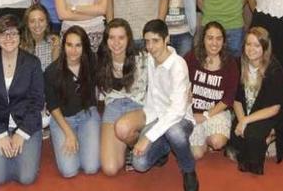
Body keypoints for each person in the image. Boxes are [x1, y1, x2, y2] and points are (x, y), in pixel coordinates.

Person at [131, 20, 199, 191]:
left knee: (174, 132)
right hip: (157, 116)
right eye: (147, 41)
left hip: (181, 119)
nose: (150, 47)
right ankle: (164, 149)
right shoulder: (149, 59)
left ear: (166, 39)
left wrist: (148, 137)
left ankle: (188, 169)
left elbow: (176, 111)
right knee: (139, 164)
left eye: (155, 41)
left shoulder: (178, 65)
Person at [0, 15, 44, 186]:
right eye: (4, 34)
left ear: (20, 36)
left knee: (27, 178)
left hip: (26, 123)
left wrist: (22, 134)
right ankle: (5, 152)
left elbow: (37, 102)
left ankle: (26, 151)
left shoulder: (32, 63)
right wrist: (0, 135)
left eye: (13, 33)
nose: (9, 38)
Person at [229, 27, 283, 174]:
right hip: (246, 112)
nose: (251, 49)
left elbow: (275, 108)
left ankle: (270, 137)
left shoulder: (274, 69)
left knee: (252, 137)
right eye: (248, 44)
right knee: (234, 137)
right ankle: (260, 140)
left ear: (265, 47)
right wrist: (242, 119)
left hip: (267, 114)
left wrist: (245, 121)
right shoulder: (239, 64)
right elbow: (236, 100)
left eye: (257, 45)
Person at [45, 26, 101, 178]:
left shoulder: (92, 63)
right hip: (63, 119)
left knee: (91, 167)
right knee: (69, 171)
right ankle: (69, 137)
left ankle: (84, 137)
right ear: (64, 46)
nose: (73, 50)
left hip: (87, 115)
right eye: (69, 45)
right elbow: (52, 106)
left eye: (78, 45)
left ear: (84, 47)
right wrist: (68, 133)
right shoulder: (52, 71)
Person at [97, 19, 149, 176]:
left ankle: (135, 140)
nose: (116, 43)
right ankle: (127, 143)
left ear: (129, 39)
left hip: (138, 106)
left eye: (121, 37)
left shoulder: (143, 58)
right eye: (111, 37)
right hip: (113, 107)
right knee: (110, 168)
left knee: (123, 128)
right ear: (106, 40)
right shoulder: (101, 60)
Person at [183, 22, 238, 159]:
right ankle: (203, 139)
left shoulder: (230, 64)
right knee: (196, 155)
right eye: (210, 38)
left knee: (217, 142)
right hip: (193, 113)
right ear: (203, 39)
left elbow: (228, 99)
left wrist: (206, 116)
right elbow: (178, 80)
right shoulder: (191, 57)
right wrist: (185, 94)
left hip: (216, 112)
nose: (214, 43)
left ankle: (212, 135)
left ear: (223, 41)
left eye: (219, 38)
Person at [21, 4, 61, 71]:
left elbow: (56, 73)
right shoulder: (19, 46)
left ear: (47, 22)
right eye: (32, 21)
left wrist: (56, 49)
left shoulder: (55, 42)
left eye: (41, 20)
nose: (37, 25)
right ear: (27, 24)